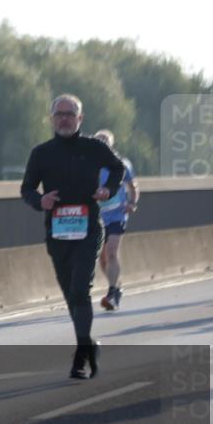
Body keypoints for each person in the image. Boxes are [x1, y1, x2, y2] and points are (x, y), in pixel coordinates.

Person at [20, 94, 126, 380]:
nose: (64, 118)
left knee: (81, 289)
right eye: (59, 114)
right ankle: (89, 344)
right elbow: (27, 188)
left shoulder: (93, 147)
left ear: (80, 119)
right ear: (51, 118)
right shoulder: (41, 153)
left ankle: (81, 356)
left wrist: (109, 191)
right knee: (70, 294)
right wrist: (39, 200)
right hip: (57, 232)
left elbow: (118, 169)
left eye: (70, 114)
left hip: (89, 228)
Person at [92, 129, 139, 310]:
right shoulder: (89, 165)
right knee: (102, 259)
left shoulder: (121, 164)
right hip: (97, 216)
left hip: (117, 214)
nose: (102, 145)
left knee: (112, 251)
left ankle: (112, 293)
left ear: (112, 145)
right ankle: (116, 286)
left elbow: (133, 185)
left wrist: (132, 203)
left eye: (105, 142)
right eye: (98, 142)